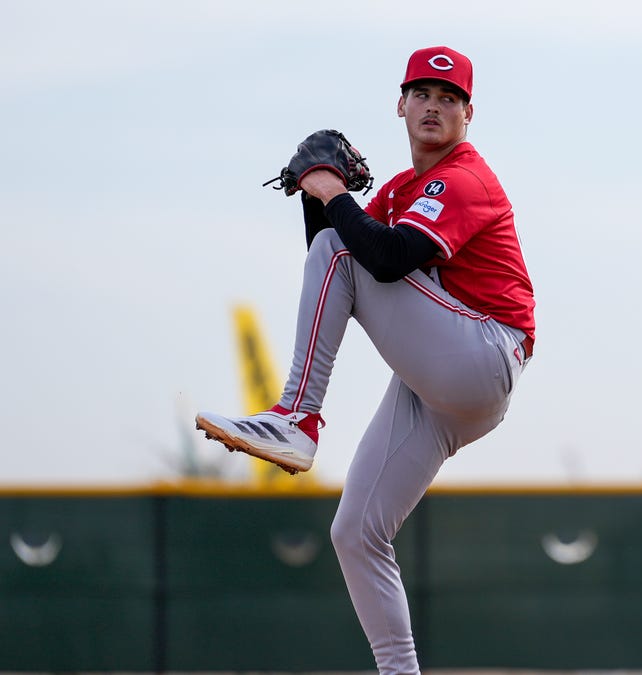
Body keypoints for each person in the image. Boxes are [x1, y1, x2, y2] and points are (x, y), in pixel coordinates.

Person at [196, 45, 535, 674]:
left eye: (450, 98)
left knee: (347, 248)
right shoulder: (404, 188)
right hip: (443, 383)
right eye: (422, 94)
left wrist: (330, 190)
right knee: (355, 532)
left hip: (484, 352)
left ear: (468, 114)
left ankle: (297, 417)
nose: (434, 106)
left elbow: (379, 259)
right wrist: (314, 195)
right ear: (400, 106)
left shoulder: (463, 177)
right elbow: (329, 257)